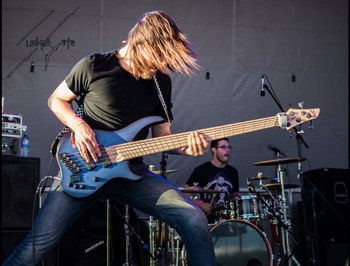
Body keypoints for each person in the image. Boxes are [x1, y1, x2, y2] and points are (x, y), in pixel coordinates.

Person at [3, 11, 217, 266]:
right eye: (157, 57)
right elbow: (56, 99)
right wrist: (78, 124)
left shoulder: (161, 82)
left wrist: (187, 149)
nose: (158, 66)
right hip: (82, 168)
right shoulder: (95, 65)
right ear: (139, 42)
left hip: (132, 174)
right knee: (35, 248)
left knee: (194, 218)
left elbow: (163, 137)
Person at [184, 138, 239, 224]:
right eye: (223, 147)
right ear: (214, 150)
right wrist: (201, 204)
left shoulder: (233, 172)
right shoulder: (201, 170)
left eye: (229, 147)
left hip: (227, 220)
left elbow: (234, 195)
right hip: (207, 221)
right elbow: (186, 192)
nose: (228, 150)